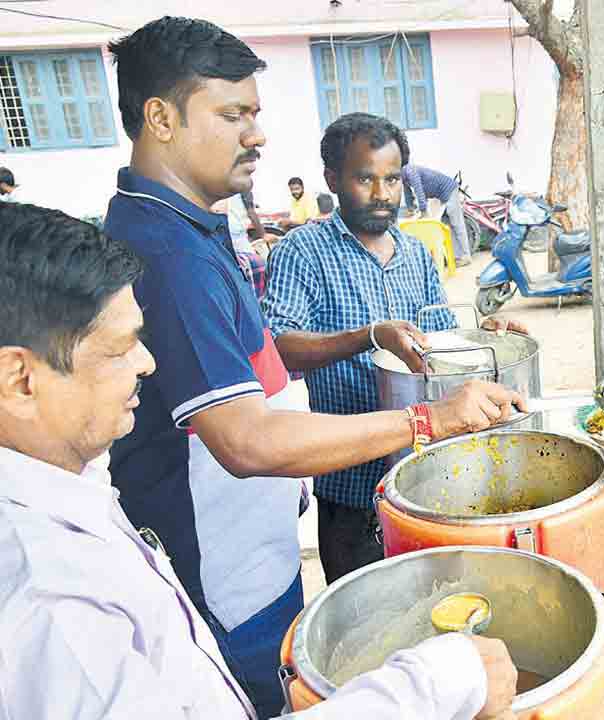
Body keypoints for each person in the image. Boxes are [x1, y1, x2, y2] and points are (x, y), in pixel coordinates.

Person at [103, 18, 523, 716]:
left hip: (251, 558)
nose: (257, 135)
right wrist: (428, 417)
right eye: (232, 114)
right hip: (218, 578)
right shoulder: (171, 257)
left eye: (256, 115)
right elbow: (245, 440)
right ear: (161, 119)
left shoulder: (195, 233)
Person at [0, 202, 520, 720]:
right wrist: (434, 685)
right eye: (119, 349)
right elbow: (250, 439)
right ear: (20, 380)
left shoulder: (74, 484)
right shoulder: (50, 605)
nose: (148, 363)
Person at [264, 112, 530, 584]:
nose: (382, 193)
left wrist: (488, 334)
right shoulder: (300, 250)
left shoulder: (416, 254)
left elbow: (443, 346)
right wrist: (369, 335)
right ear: (333, 179)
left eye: (391, 179)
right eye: (365, 178)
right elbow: (280, 346)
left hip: (427, 476)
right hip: (350, 482)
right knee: (365, 625)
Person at [401, 162, 472, 266]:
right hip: (439, 196)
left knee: (457, 224)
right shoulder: (404, 178)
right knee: (447, 226)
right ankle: (457, 257)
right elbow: (408, 194)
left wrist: (423, 212)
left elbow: (419, 191)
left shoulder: (410, 171)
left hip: (449, 190)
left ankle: (466, 256)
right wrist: (410, 209)